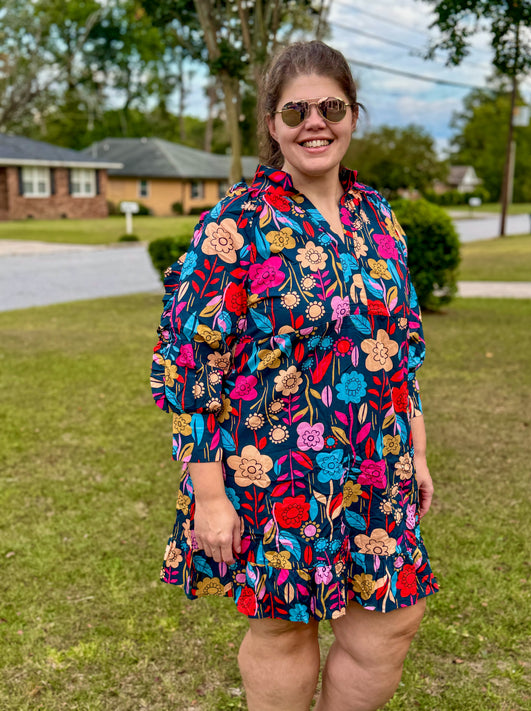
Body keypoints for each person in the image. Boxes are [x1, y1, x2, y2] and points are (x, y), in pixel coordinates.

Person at [151, 40, 438, 711]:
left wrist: (417, 449)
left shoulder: (378, 218)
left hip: (376, 463)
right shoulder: (237, 222)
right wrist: (211, 495)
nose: (315, 121)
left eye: (330, 106)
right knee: (283, 623)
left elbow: (400, 347)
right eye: (295, 110)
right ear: (273, 126)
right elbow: (191, 365)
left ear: (353, 115)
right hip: (275, 468)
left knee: (393, 619)